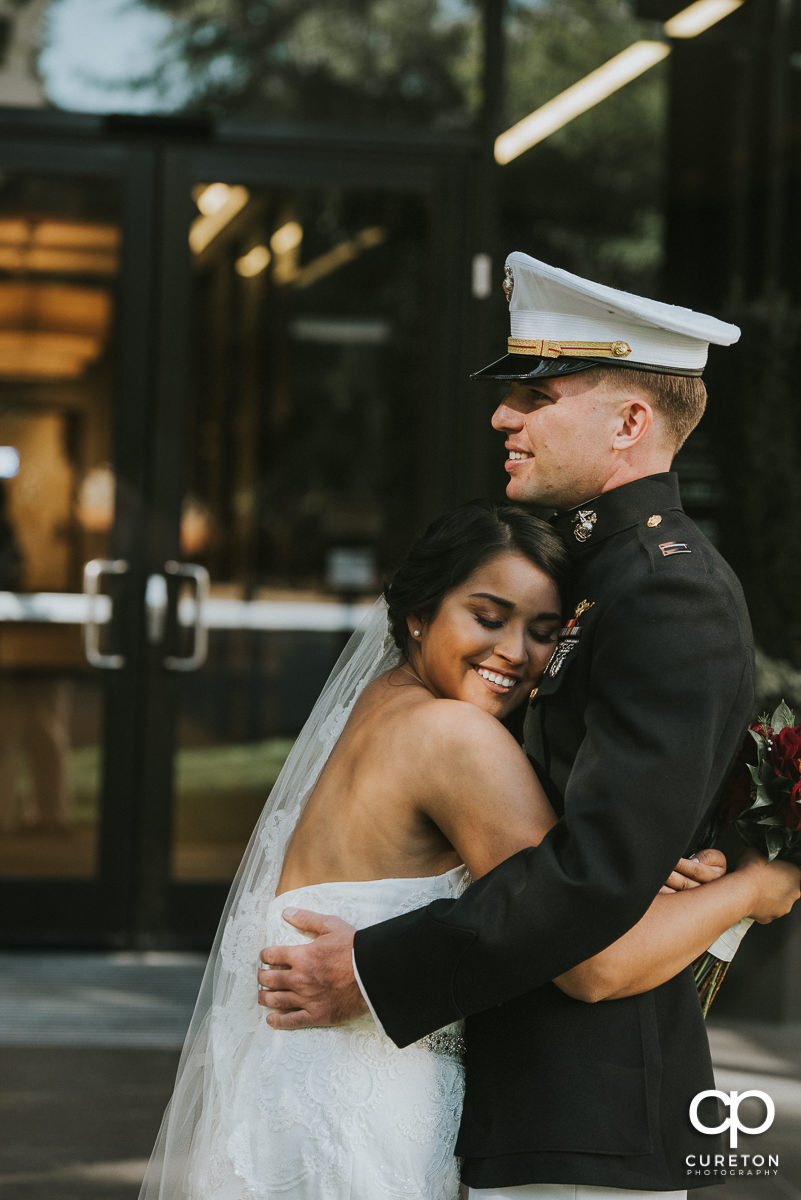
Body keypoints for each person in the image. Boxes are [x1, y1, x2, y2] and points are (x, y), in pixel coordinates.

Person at [257, 253, 801, 1200]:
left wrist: (377, 973)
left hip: (585, 1110)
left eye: (539, 395)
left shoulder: (666, 590)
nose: (504, 416)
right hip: (518, 1093)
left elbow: (592, 880)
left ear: (631, 421)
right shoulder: (591, 573)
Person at [140, 498, 796, 1200]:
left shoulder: (379, 705)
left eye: (543, 632)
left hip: (290, 1093)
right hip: (367, 1110)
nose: (512, 652)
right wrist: (757, 887)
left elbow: (549, 878)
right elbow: (591, 954)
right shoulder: (457, 739)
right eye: (486, 617)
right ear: (418, 613)